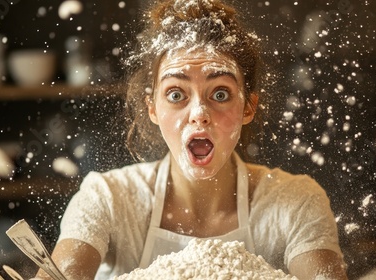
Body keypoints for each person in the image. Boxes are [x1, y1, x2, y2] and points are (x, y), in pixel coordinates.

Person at [36, 0, 348, 279]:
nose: (199, 113)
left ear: (248, 107)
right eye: (176, 94)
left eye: (221, 93)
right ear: (153, 108)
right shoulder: (107, 198)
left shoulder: (295, 202)